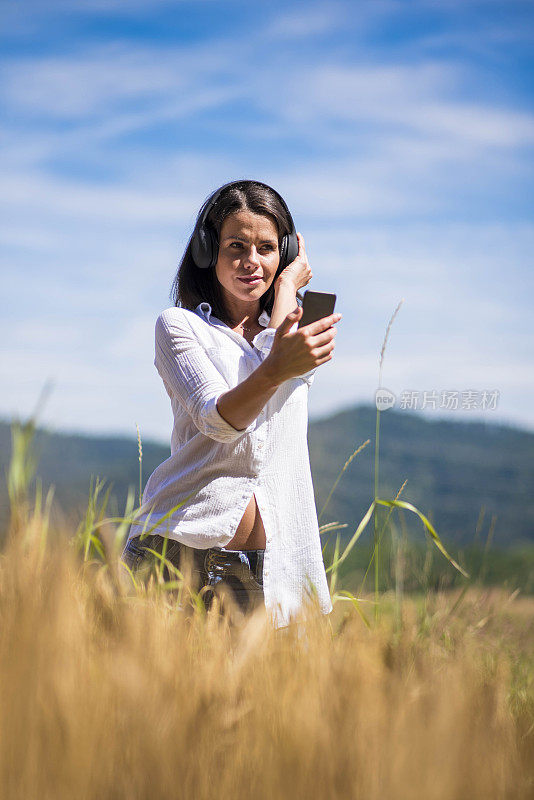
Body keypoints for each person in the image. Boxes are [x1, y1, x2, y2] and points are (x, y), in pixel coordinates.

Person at [121, 179, 342, 628]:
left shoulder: (296, 333)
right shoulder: (179, 326)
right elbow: (220, 421)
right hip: (180, 553)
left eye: (265, 247)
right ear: (207, 250)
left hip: (274, 565)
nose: (251, 262)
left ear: (284, 252)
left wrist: (284, 299)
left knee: (260, 700)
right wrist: (283, 304)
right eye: (236, 246)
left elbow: (273, 358)